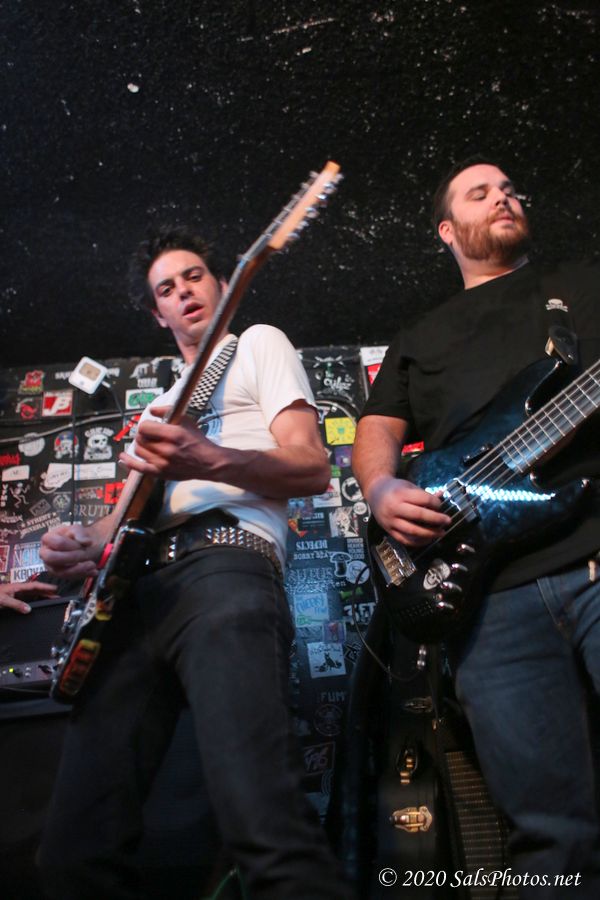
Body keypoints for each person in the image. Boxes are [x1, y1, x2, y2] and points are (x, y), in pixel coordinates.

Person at [37, 227, 354, 900]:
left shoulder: (257, 344)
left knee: (262, 821)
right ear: (157, 313)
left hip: (225, 570)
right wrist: (79, 542)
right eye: (166, 288)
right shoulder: (161, 408)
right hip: (134, 598)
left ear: (221, 284)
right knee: (73, 848)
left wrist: (208, 458)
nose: (183, 292)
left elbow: (310, 466)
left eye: (194, 276)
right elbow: (114, 527)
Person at [352, 157, 600, 895]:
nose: (504, 197)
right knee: (549, 834)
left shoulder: (580, 284)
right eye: (480, 192)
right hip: (486, 602)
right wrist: (381, 488)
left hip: (593, 553)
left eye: (511, 189)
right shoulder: (420, 334)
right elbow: (377, 426)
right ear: (446, 229)